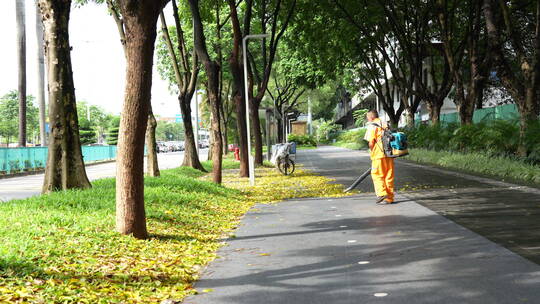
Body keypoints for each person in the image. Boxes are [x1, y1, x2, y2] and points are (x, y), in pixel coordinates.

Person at [364, 110, 395, 205]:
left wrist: (371, 150)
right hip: (389, 153)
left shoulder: (372, 125)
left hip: (378, 154)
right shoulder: (385, 124)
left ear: (370, 117)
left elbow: (371, 142)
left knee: (377, 174)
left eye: (367, 117)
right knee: (388, 175)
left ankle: (381, 193)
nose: (367, 119)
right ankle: (389, 198)